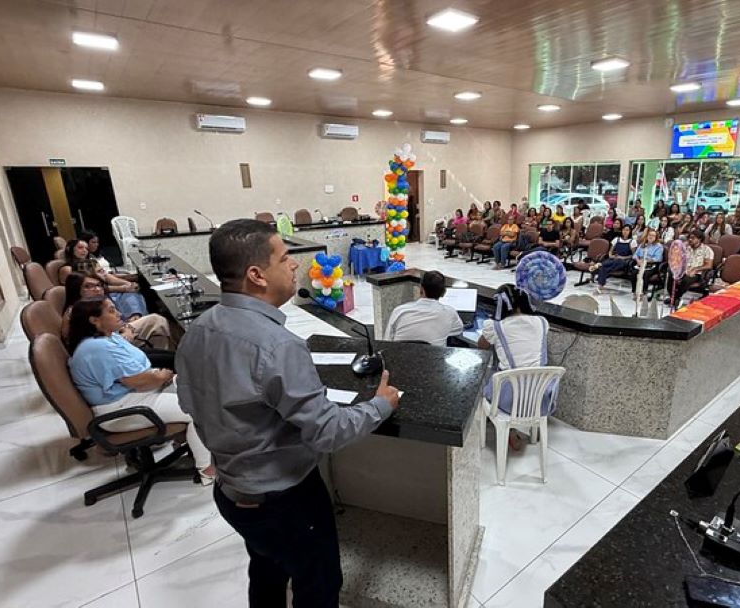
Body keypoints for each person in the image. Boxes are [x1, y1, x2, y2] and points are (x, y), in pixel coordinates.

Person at [175, 219, 400, 607]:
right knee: (318, 586)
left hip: (231, 493)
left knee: (266, 571)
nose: (295, 264)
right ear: (256, 275)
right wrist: (381, 404)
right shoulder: (278, 346)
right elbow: (328, 432)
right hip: (285, 501)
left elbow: (191, 405)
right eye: (284, 258)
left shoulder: (199, 328)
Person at [67, 297, 213, 482]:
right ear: (94, 320)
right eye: (111, 311)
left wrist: (160, 377)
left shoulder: (107, 337)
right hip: (121, 410)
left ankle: (188, 442)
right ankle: (206, 470)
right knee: (198, 409)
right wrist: (161, 377)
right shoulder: (97, 349)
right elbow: (140, 382)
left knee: (197, 388)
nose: (119, 314)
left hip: (134, 396)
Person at [477, 284, 554, 452]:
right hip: (540, 397)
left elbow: (481, 346)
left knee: (487, 375)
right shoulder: (542, 322)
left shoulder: (495, 327)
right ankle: (529, 429)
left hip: (509, 399)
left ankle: (509, 430)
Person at [62, 271, 173, 355]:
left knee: (157, 322)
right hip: (110, 351)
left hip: (117, 337)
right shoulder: (76, 313)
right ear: (76, 289)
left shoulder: (91, 304)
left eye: (98, 285)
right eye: (88, 286)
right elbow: (95, 346)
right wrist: (124, 336)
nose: (97, 289)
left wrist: (125, 328)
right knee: (156, 321)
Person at [60, 239, 148, 320]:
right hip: (107, 314)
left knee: (132, 294)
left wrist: (128, 283)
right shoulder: (70, 270)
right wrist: (123, 288)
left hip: (110, 311)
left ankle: (136, 316)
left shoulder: (89, 263)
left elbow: (107, 276)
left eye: (86, 248)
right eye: (80, 248)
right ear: (69, 249)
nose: (84, 251)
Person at [386, 271, 464, 346]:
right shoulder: (450, 313)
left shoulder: (399, 311)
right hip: (434, 355)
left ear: (421, 289)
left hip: (399, 354)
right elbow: (458, 329)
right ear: (443, 292)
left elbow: (387, 340)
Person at [592, 223, 635, 292]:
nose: (625, 232)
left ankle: (600, 266)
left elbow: (633, 255)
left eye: (627, 230)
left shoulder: (632, 241)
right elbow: (610, 251)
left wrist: (623, 257)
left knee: (605, 266)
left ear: (630, 232)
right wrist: (611, 255)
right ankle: (600, 285)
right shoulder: (616, 239)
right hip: (615, 258)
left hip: (624, 260)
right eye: (624, 230)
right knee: (607, 264)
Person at [675, 230, 714, 300]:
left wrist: (695, 269)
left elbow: (709, 265)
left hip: (696, 274)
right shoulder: (687, 248)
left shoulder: (707, 250)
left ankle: (676, 297)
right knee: (670, 273)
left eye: (693, 238)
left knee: (686, 279)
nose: (690, 239)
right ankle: (674, 297)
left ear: (699, 239)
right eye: (689, 238)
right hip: (684, 270)